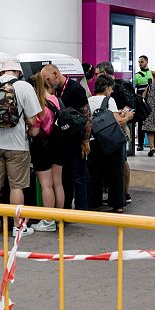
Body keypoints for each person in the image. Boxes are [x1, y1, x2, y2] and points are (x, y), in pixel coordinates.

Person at [0, 58, 42, 236]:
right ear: (18, 72)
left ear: (1, 71)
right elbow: (33, 120)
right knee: (16, 187)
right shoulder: (24, 87)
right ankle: (17, 227)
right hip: (17, 146)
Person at [41, 63, 90, 210]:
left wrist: (85, 139)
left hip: (76, 138)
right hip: (61, 141)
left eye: (48, 79)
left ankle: (82, 211)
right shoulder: (54, 91)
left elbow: (87, 115)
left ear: (56, 74)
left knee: (78, 176)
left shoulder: (76, 89)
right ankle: (66, 209)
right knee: (64, 177)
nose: (47, 83)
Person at [87, 74, 133, 212]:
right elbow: (118, 121)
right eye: (111, 88)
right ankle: (117, 203)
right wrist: (127, 117)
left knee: (95, 173)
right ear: (106, 87)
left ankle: (94, 201)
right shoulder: (109, 100)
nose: (112, 91)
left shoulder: (88, 100)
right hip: (111, 141)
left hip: (94, 140)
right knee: (116, 173)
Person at [26, 73, 64, 232]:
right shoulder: (55, 99)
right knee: (58, 183)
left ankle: (48, 222)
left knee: (46, 185)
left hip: (42, 146)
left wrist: (27, 130)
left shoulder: (39, 104)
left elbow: (35, 132)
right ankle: (59, 219)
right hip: (58, 144)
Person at [134, 55, 154, 152]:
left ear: (146, 62)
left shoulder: (152, 74)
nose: (140, 64)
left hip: (151, 101)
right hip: (141, 102)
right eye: (139, 62)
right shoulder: (137, 75)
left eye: (141, 62)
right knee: (141, 122)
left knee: (153, 123)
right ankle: (140, 144)